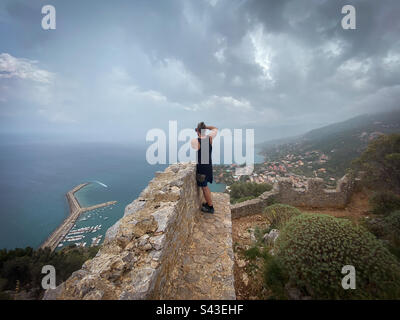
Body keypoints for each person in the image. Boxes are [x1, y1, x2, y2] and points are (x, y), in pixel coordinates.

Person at [191, 122, 218, 214]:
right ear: (205, 130)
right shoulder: (210, 138)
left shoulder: (195, 141)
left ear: (197, 130)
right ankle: (208, 203)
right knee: (206, 186)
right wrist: (205, 128)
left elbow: (194, 147)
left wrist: (199, 132)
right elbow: (215, 128)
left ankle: (210, 207)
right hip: (208, 165)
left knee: (204, 187)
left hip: (202, 168)